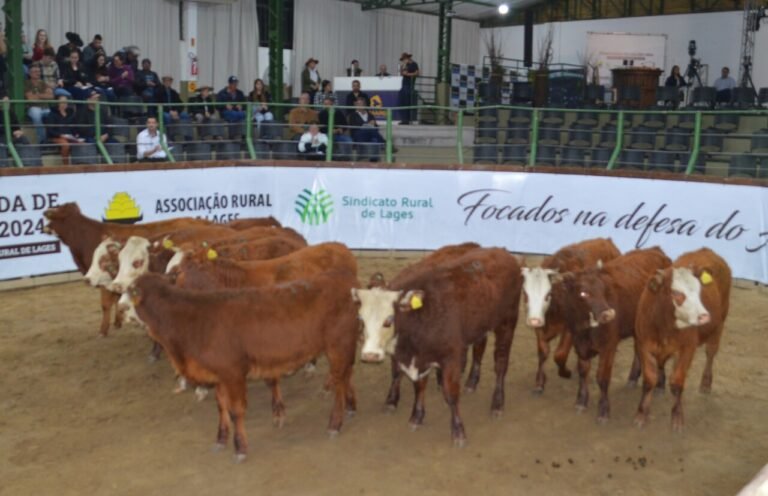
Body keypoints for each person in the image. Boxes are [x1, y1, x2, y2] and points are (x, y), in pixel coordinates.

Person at [47, 95, 84, 165]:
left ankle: (79, 164)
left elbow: (74, 127)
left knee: (82, 143)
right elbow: (50, 130)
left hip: (69, 136)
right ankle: (66, 165)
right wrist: (60, 135)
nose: (64, 104)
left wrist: (76, 134)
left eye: (66, 102)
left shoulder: (70, 113)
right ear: (58, 103)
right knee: (65, 145)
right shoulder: (52, 114)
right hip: (56, 136)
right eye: (62, 102)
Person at [24, 64, 53, 143]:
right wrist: (43, 95)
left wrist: (38, 95)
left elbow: (50, 96)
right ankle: (42, 140)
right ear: (30, 73)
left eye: (39, 71)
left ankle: (53, 139)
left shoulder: (43, 83)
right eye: (35, 71)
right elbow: (30, 98)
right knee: (36, 116)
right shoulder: (26, 83)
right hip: (33, 107)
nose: (38, 73)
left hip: (45, 108)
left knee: (53, 116)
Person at [398, 52, 419, 124]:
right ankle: (404, 119)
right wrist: (403, 68)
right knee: (402, 102)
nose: (403, 61)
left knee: (407, 102)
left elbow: (417, 73)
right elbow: (402, 73)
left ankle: (408, 119)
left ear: (407, 58)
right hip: (404, 85)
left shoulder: (414, 64)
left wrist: (408, 74)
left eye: (404, 59)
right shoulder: (405, 65)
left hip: (409, 85)